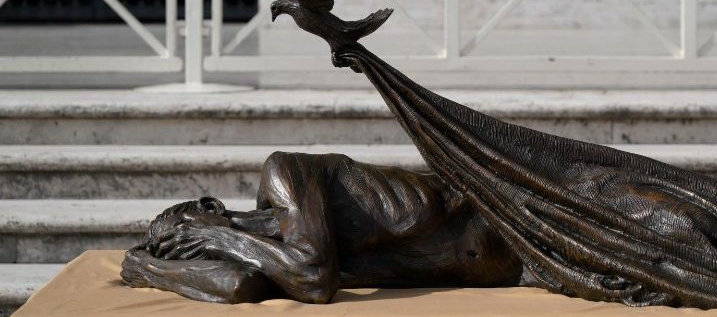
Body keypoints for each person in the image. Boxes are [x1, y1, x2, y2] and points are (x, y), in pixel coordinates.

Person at [121, 151, 524, 304]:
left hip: (520, 214)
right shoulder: (270, 260)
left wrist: (213, 234)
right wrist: (151, 270)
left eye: (184, 230)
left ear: (210, 206)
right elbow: (238, 285)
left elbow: (314, 277)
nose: (192, 248)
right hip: (517, 270)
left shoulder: (285, 173)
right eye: (182, 250)